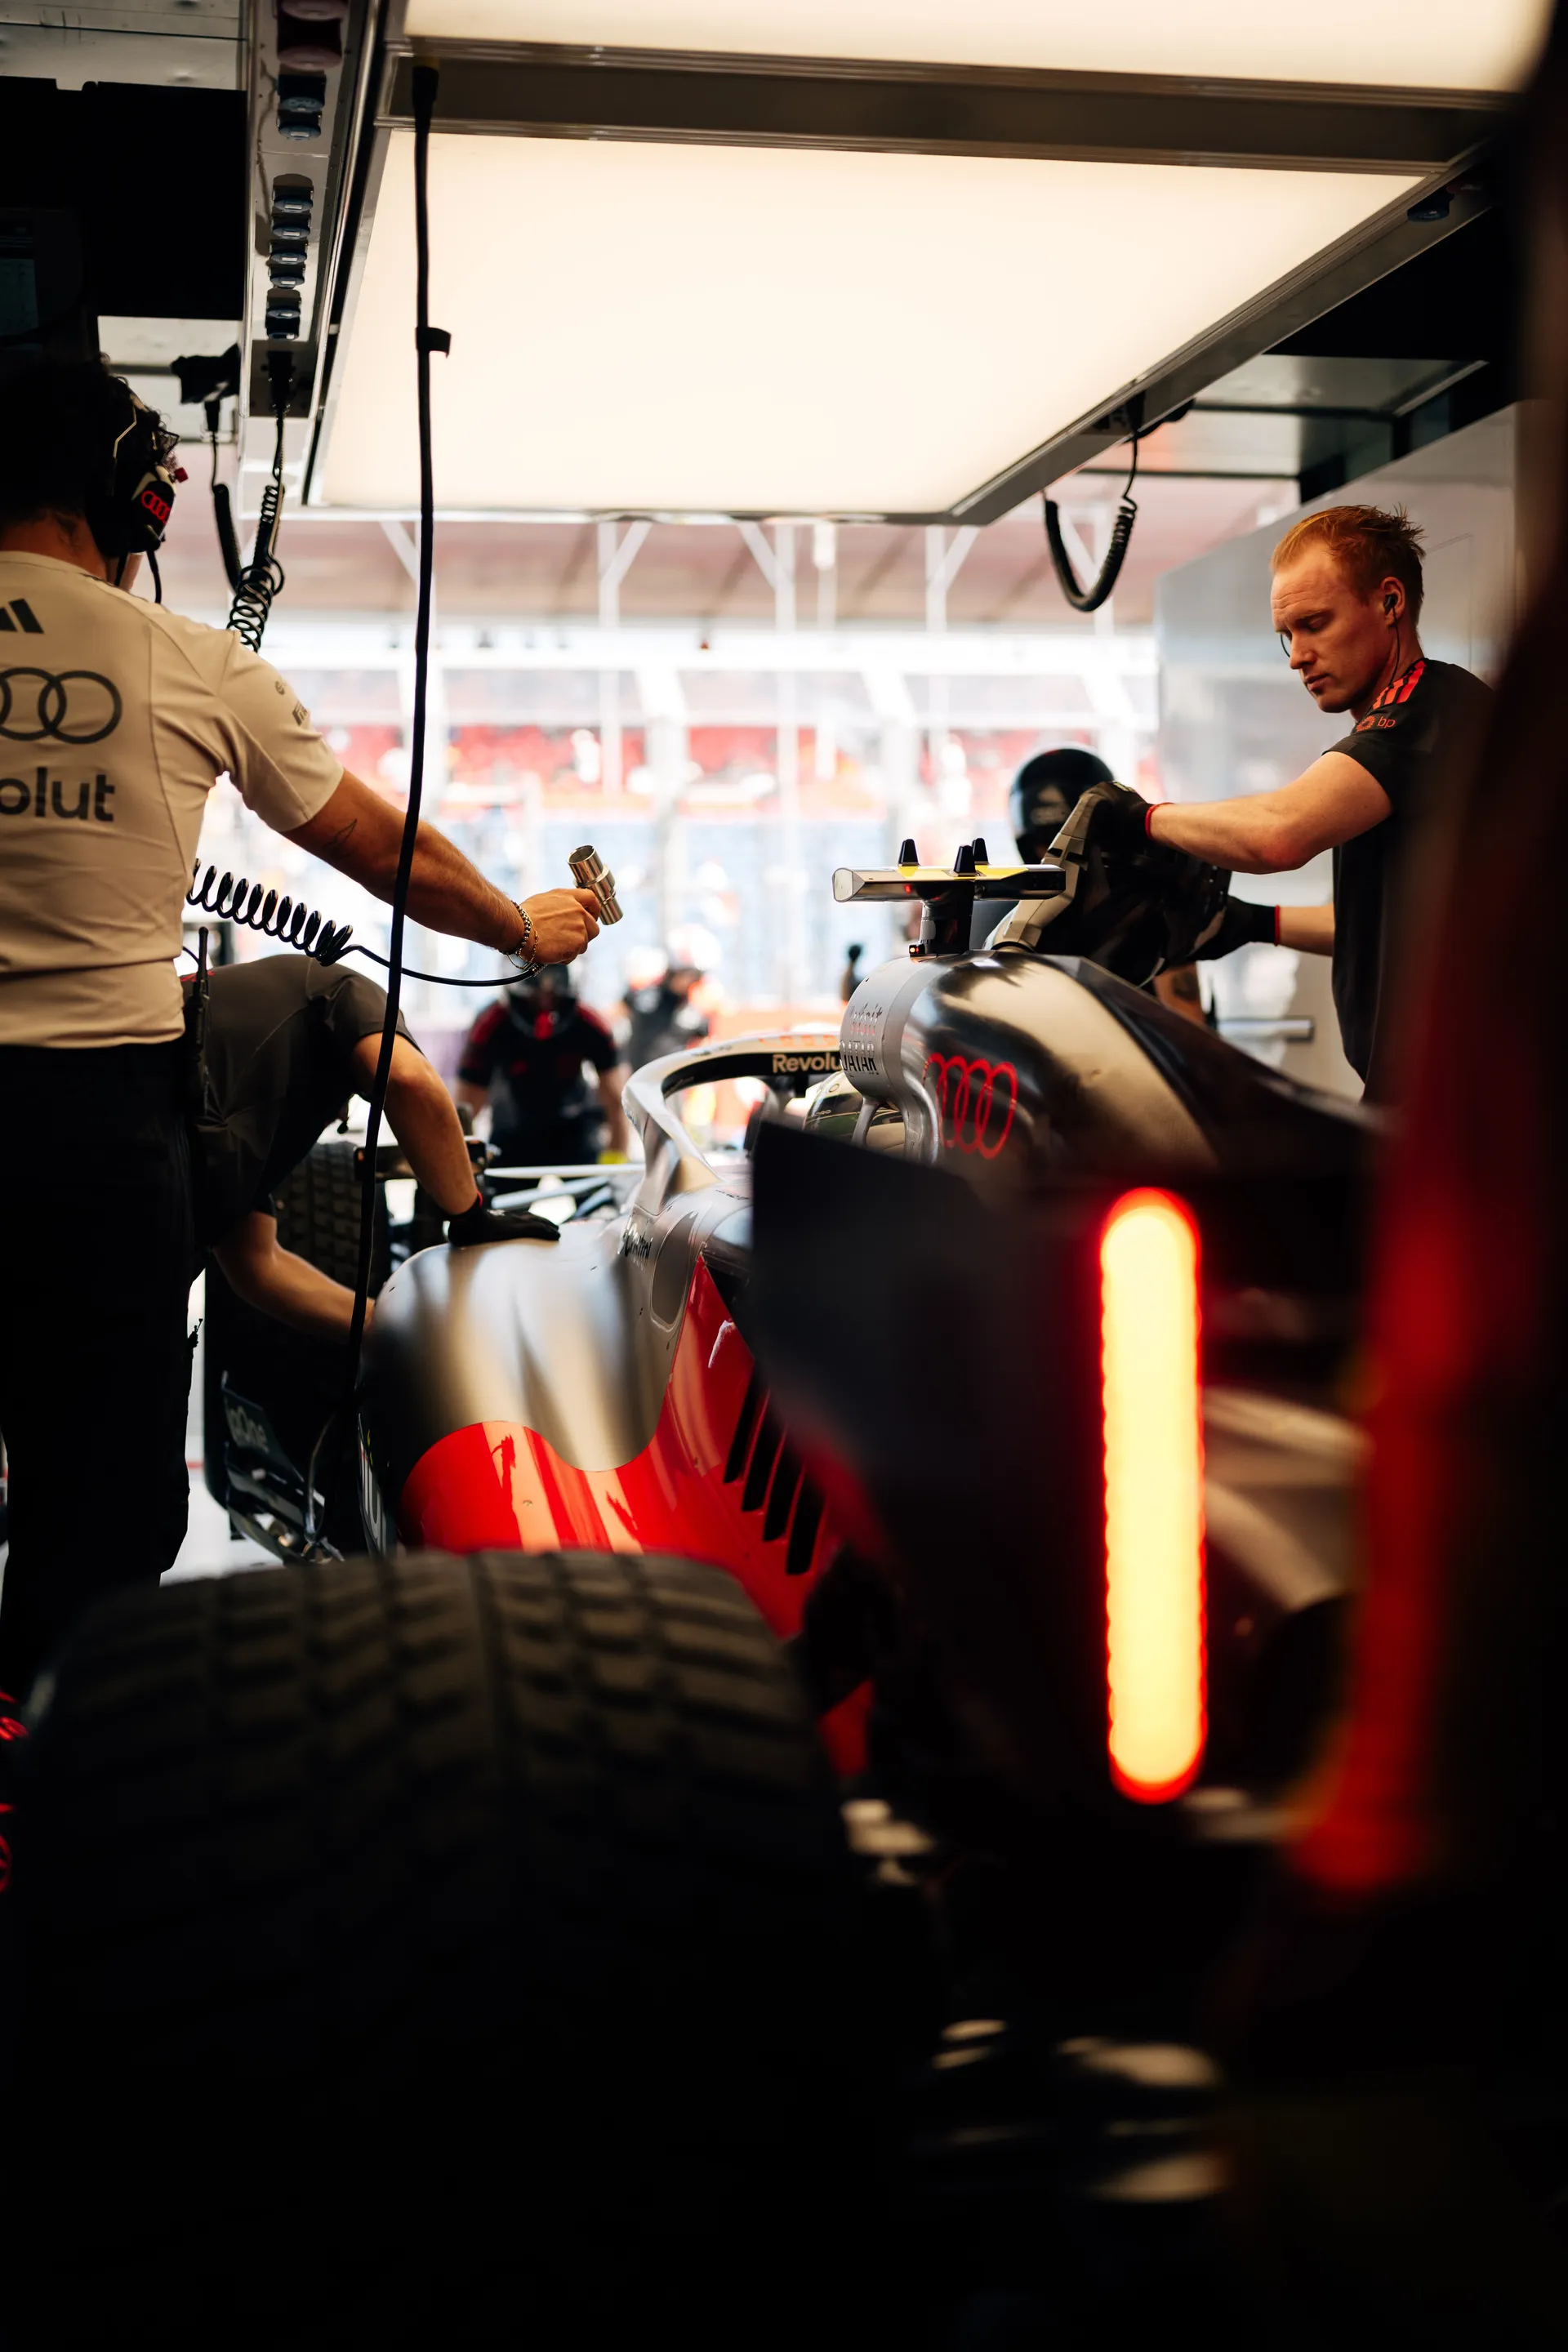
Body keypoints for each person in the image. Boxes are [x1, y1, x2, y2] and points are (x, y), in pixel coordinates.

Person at [0, 356, 601, 1698]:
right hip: (99, 1136)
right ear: (134, 498)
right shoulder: (187, 660)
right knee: (93, 1519)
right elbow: (379, 846)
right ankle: (51, 1795)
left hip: (108, 1133)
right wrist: (518, 926)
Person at [1105, 504, 1493, 1096]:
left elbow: (1279, 833)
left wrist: (1138, 818)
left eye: (1315, 623)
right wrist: (1250, 923)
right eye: (1288, 634)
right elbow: (1372, 926)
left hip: (1462, 1101)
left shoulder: (1428, 712)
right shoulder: (1408, 731)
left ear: (1390, 603)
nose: (1295, 656)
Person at [192, 956, 560, 1344]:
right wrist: (469, 1214)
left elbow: (257, 1267)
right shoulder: (339, 985)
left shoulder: (243, 1120)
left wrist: (400, 1337)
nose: (338, 1116)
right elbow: (408, 1081)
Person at [457, 964, 630, 1165]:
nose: (545, 997)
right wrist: (460, 1161)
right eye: (535, 990)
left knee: (602, 1195)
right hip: (513, 1133)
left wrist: (615, 1158)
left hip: (574, 1130)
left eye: (553, 990)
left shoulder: (590, 1021)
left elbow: (615, 1098)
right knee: (490, 1194)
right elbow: (466, 1106)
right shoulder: (491, 1024)